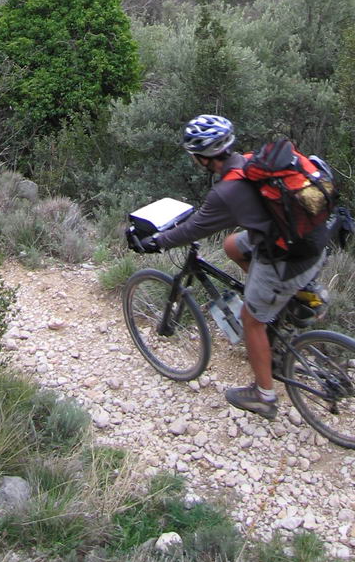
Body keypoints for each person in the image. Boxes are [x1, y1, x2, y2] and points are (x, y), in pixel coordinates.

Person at [136, 114, 327, 420]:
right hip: (313, 241)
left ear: (202, 159)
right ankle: (287, 300)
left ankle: (264, 396)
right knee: (232, 245)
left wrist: (156, 243)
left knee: (250, 319)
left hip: (288, 259)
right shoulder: (251, 162)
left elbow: (193, 229)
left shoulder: (225, 192)